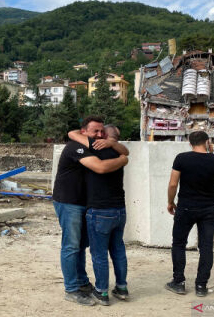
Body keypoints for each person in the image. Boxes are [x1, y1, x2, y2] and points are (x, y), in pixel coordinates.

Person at [53, 116, 129, 306]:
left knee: (80, 245)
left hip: (85, 204)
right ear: (83, 132)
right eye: (95, 131)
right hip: (69, 202)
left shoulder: (97, 145)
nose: (99, 134)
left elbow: (124, 149)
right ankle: (71, 289)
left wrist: (114, 145)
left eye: (102, 131)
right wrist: (123, 160)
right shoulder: (75, 147)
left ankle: (81, 281)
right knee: (71, 245)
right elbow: (100, 167)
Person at [165, 131, 214, 297]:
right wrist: (210, 154)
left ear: (190, 143)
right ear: (207, 142)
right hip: (209, 209)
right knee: (206, 246)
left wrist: (170, 202)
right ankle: (201, 286)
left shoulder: (182, 158)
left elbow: (172, 184)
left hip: (185, 207)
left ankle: (178, 282)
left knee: (178, 243)